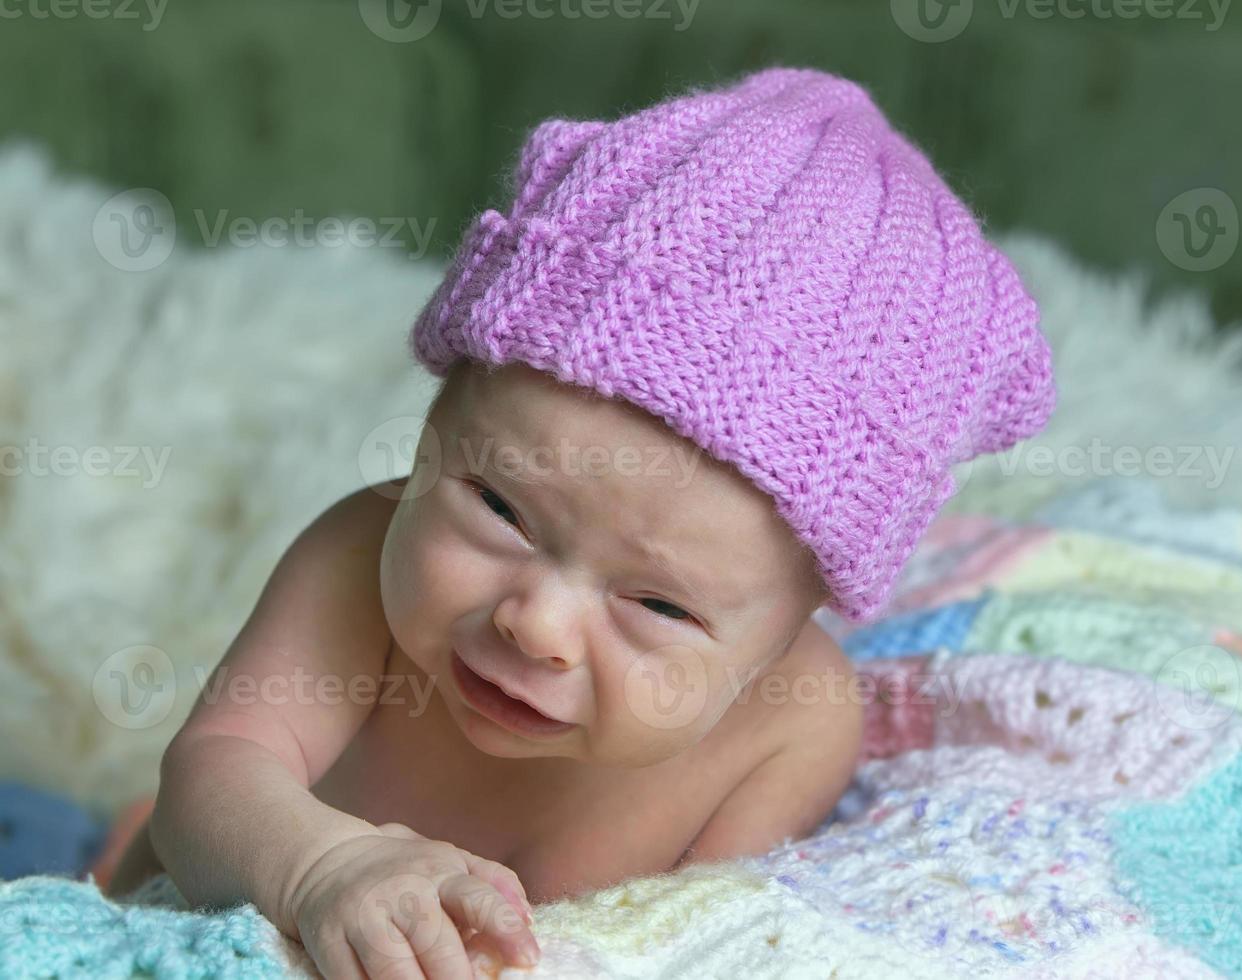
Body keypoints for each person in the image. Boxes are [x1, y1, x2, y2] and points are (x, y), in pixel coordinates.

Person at [102, 65, 1055, 979]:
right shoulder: (357, 557)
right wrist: (317, 869)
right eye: (499, 507)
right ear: (435, 425)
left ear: (788, 631)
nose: (537, 624)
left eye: (658, 606)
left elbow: (704, 943)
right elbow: (213, 774)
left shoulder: (791, 728)